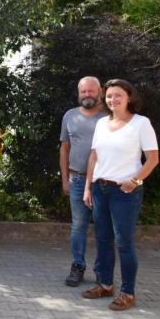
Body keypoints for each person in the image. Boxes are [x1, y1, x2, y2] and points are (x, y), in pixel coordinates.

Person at [82, 79, 159, 311]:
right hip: (100, 188)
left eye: (118, 95)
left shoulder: (141, 123)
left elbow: (153, 158)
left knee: (124, 243)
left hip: (125, 192)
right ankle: (105, 285)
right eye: (109, 96)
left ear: (128, 97)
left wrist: (135, 181)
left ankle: (128, 292)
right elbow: (94, 158)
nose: (112, 100)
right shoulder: (102, 124)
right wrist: (88, 187)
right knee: (103, 240)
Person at [59, 77, 106, 286]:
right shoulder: (70, 116)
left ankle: (101, 270)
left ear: (100, 92)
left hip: (104, 181)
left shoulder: (109, 116)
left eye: (91, 91)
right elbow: (64, 149)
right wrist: (64, 180)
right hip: (76, 178)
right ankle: (77, 266)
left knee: (104, 227)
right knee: (78, 226)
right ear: (79, 93)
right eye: (83, 91)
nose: (87, 95)